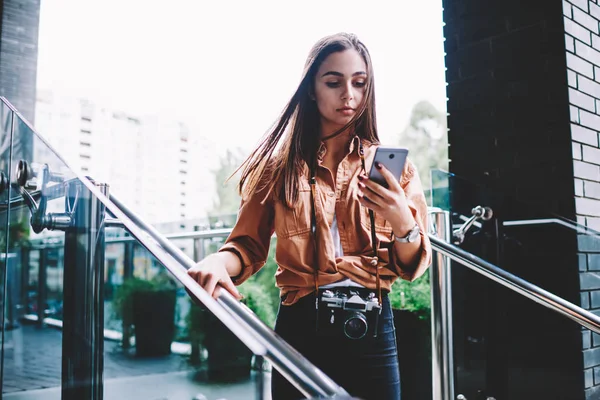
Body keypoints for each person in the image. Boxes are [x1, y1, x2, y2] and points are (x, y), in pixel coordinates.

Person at [187, 32, 432, 400]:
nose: (348, 95)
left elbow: (411, 266)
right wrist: (219, 262)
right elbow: (245, 245)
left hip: (371, 327)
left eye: (359, 83)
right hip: (301, 327)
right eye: (334, 82)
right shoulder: (278, 169)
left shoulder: (395, 168)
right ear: (312, 89)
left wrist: (403, 224)